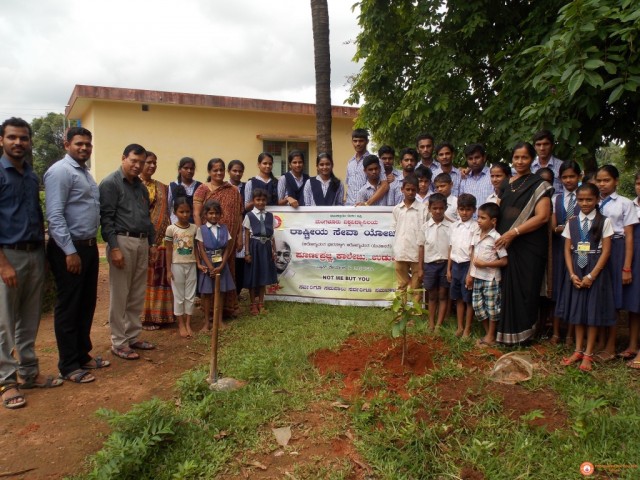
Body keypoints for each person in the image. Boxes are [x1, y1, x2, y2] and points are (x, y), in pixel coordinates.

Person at [0, 117, 60, 409]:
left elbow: (37, 215)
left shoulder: (31, 176)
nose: (18, 143)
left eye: (23, 138)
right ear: (2, 140)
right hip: (7, 255)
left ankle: (29, 372)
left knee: (29, 317)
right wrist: (3, 264)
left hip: (35, 252)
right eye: (12, 137)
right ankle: (7, 381)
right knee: (4, 322)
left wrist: (44, 255)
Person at [44, 126, 106, 384]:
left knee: (86, 303)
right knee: (69, 306)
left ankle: (82, 354)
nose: (84, 148)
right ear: (66, 144)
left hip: (89, 246)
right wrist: (70, 251)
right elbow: (55, 215)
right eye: (79, 143)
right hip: (69, 248)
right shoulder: (60, 172)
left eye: (88, 144)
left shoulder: (85, 173)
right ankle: (68, 365)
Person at [100, 144, 157, 360]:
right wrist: (114, 247)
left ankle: (133, 336)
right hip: (121, 242)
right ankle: (119, 341)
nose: (137, 165)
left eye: (141, 162)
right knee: (120, 294)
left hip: (142, 242)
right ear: (124, 158)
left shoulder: (140, 187)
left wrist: (151, 245)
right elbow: (106, 219)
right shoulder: (110, 183)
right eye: (134, 160)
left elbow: (146, 218)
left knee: (136, 293)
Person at [495, 142, 552, 345]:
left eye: (524, 158)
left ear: (532, 159)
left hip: (528, 245)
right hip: (507, 244)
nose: (520, 161)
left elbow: (543, 217)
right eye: (516, 157)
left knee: (526, 288)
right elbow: (499, 211)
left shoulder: (539, 185)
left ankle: (525, 335)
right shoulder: (506, 184)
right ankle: (506, 334)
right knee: (507, 288)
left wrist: (514, 232)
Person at [557, 183, 615, 372]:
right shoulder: (572, 222)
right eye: (581, 199)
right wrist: (572, 273)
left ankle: (588, 353)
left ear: (597, 199)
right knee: (577, 313)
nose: (584, 203)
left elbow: (606, 251)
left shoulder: (604, 221)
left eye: (589, 199)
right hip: (576, 270)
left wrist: (592, 275)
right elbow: (567, 249)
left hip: (594, 270)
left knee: (591, 313)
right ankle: (578, 350)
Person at [595, 164, 637, 361]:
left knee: (613, 299)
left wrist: (626, 267)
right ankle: (600, 342)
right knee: (600, 296)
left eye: (607, 180)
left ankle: (611, 346)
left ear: (616, 181)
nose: (602, 184)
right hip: (597, 250)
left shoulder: (624, 203)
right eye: (599, 180)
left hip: (617, 250)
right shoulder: (592, 201)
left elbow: (629, 237)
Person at [193, 158, 244, 318]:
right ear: (209, 172)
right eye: (215, 170)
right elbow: (196, 212)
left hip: (226, 241)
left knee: (226, 271)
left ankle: (226, 309)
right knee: (209, 273)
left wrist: (239, 236)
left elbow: (239, 214)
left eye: (221, 170)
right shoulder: (202, 189)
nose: (219, 173)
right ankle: (209, 312)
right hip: (208, 243)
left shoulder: (233, 190)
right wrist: (201, 233)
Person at [139, 151, 173, 329]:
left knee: (160, 276)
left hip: (161, 241)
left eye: (154, 163)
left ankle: (162, 315)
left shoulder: (162, 187)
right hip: (142, 240)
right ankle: (145, 317)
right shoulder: (134, 185)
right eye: (148, 162)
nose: (152, 166)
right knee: (145, 278)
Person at [467, 202, 508, 346]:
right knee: (478, 307)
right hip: (477, 276)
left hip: (491, 278)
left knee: (492, 308)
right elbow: (472, 254)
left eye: (483, 218)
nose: (478, 220)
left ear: (493, 221)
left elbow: (503, 261)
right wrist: (470, 274)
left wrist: (486, 264)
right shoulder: (476, 234)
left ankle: (491, 336)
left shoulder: (497, 238)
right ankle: (489, 333)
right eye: (478, 217)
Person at [550, 161, 582, 346]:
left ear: (579, 177)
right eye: (564, 177)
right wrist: (563, 228)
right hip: (560, 246)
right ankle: (555, 332)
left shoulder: (585, 197)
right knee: (558, 288)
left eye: (572, 176)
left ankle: (570, 334)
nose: (568, 180)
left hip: (578, 249)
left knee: (573, 287)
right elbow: (554, 227)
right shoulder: (557, 198)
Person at [195, 200, 235, 332]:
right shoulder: (201, 230)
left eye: (216, 213)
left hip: (221, 265)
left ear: (220, 215)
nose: (214, 216)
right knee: (206, 294)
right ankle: (207, 322)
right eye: (211, 213)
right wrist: (210, 268)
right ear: (205, 215)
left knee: (221, 292)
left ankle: (219, 320)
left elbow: (227, 249)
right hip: (207, 265)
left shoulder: (223, 228)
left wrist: (222, 265)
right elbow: (201, 250)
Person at [418, 193, 452, 331]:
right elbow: (421, 248)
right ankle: (431, 323)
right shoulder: (425, 227)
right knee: (431, 296)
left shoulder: (451, 227)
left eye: (441, 208)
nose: (438, 211)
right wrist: (420, 268)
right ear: (429, 209)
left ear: (445, 208)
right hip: (430, 265)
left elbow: (452, 248)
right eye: (435, 208)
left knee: (443, 295)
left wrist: (450, 269)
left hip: (445, 264)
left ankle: (439, 324)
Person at [165, 197, 198, 338]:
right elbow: (168, 250)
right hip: (176, 265)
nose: (185, 215)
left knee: (190, 295)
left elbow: (197, 248)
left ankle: (188, 322)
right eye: (181, 211)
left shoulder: (194, 228)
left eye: (187, 212)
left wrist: (199, 263)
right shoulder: (171, 229)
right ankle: (180, 323)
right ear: (175, 212)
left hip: (191, 264)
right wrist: (168, 270)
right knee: (178, 295)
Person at [447, 193, 478, 338]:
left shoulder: (475, 227)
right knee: (458, 298)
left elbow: (473, 251)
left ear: (474, 210)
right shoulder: (454, 226)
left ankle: (467, 328)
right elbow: (451, 248)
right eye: (461, 209)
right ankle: (459, 327)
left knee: (468, 300)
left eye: (468, 209)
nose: (464, 213)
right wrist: (448, 269)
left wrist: (471, 273)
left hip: (467, 266)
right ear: (457, 209)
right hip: (456, 265)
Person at [392, 175, 426, 304]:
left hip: (416, 253)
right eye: (408, 189)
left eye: (413, 190)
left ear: (417, 190)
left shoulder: (423, 209)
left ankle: (415, 315)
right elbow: (396, 229)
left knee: (416, 287)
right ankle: (401, 311)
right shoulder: (397, 209)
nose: (410, 192)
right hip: (400, 252)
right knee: (401, 285)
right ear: (402, 189)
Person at [244, 189, 278, 315]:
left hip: (266, 248)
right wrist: (247, 252)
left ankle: (261, 303)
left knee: (263, 276)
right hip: (255, 247)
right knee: (254, 276)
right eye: (258, 200)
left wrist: (274, 251)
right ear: (253, 201)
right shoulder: (249, 215)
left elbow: (272, 235)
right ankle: (253, 304)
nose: (261, 202)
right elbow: (246, 235)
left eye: (263, 200)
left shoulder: (270, 216)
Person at [626, 173, 640, 369]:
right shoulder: (631, 205)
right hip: (635, 254)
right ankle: (632, 344)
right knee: (635, 302)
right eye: (638, 183)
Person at [227, 159, 246, 296]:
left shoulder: (246, 187)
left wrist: (240, 234)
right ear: (229, 172)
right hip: (225, 227)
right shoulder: (224, 187)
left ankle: (237, 292)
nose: (237, 173)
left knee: (239, 261)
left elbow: (242, 211)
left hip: (241, 227)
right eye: (234, 171)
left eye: (240, 171)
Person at [168, 157, 201, 224]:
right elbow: (168, 207)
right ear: (179, 170)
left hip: (195, 225)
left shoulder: (200, 186)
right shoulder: (172, 186)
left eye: (191, 168)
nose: (189, 171)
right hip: (177, 225)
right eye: (186, 168)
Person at [345, 128, 372, 205]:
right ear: (352, 142)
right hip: (349, 207)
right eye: (355, 141)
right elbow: (349, 186)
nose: (358, 144)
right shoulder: (350, 162)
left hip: (366, 209)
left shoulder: (374, 161)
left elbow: (382, 186)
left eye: (361, 141)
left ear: (367, 142)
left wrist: (367, 203)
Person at [532, 129, 563, 194]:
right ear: (534, 147)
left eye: (546, 144)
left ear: (552, 146)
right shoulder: (529, 166)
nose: (542, 148)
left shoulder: (561, 166)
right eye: (538, 144)